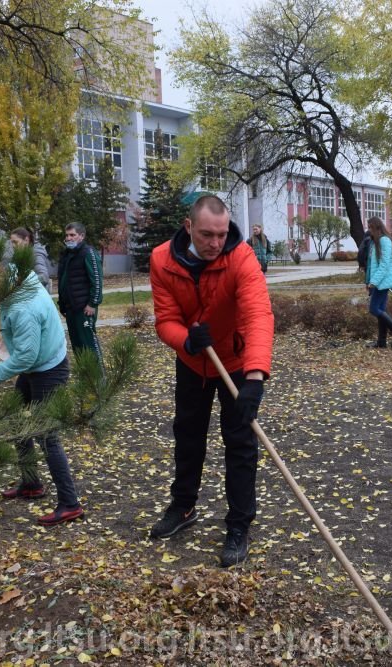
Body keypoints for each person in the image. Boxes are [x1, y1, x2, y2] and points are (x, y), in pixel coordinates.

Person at [148, 194, 274, 568]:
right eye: (207, 235)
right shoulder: (161, 260)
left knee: (240, 442)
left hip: (234, 360)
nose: (215, 243)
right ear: (189, 227)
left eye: (221, 234)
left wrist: (255, 377)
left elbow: (258, 314)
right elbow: (165, 319)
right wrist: (185, 339)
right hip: (192, 360)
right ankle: (183, 508)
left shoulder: (241, 257)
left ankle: (239, 525)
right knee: (187, 435)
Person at [0, 268, 84, 526]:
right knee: (18, 423)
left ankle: (70, 503)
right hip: (35, 364)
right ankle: (31, 483)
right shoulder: (14, 284)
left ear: (2, 287)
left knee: (47, 436)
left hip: (48, 367)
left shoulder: (24, 308)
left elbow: (25, 356)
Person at [57, 223, 103, 360]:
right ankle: (85, 377)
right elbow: (64, 281)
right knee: (77, 346)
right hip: (71, 308)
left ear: (81, 236)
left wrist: (93, 303)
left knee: (89, 345)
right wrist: (63, 305)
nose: (69, 238)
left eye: (72, 235)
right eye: (67, 235)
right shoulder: (67, 255)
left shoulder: (88, 253)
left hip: (84, 309)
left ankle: (98, 379)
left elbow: (97, 280)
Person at [365, 216, 392, 349]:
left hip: (383, 281)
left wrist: (374, 282)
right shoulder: (378, 241)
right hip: (380, 281)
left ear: (377, 227)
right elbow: (374, 265)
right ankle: (381, 342)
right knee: (380, 310)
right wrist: (369, 281)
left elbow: (383, 265)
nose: (369, 230)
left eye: (370, 227)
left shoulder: (384, 240)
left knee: (374, 309)